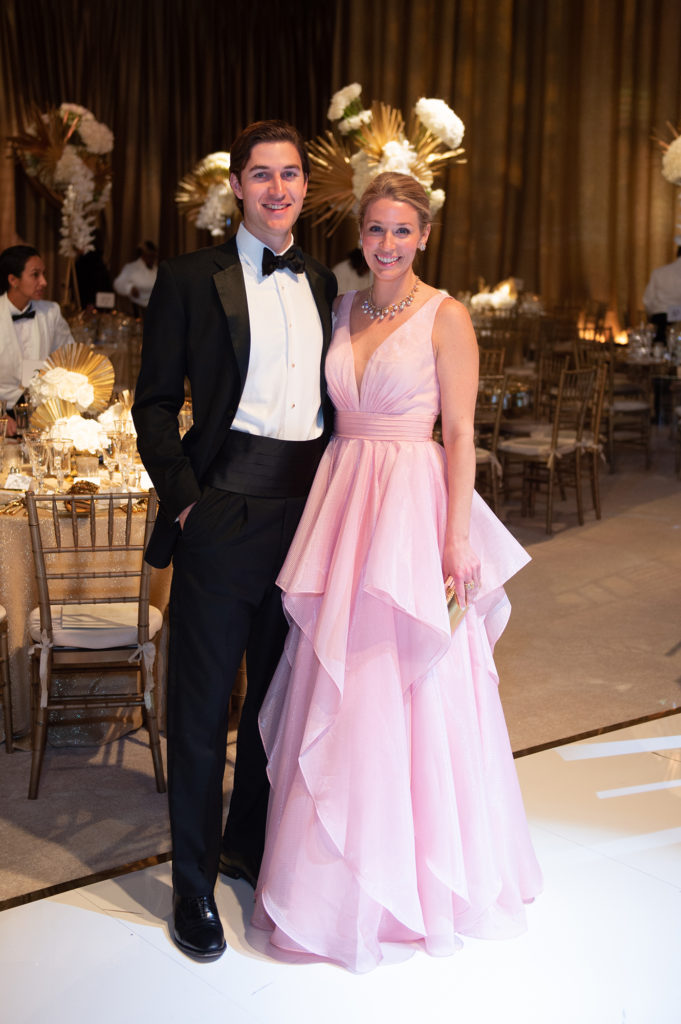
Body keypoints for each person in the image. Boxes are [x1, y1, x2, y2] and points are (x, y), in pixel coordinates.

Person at [252, 172, 543, 973]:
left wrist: (455, 538)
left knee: (406, 680)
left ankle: (416, 881)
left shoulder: (446, 316)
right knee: (338, 680)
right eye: (374, 230)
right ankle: (330, 883)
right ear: (361, 234)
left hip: (410, 508)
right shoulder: (345, 307)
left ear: (424, 236)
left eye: (400, 232)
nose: (385, 244)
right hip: (344, 497)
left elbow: (458, 436)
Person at [132, 120, 337, 962]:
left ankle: (244, 847)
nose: (278, 189)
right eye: (262, 176)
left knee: (274, 700)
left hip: (303, 516)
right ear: (237, 187)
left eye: (290, 175)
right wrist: (185, 503)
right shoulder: (189, 278)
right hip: (221, 513)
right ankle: (190, 888)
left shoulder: (325, 282)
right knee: (200, 703)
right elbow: (152, 404)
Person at [0, 245, 73, 436]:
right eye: (35, 275)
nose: (44, 282)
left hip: (40, 415)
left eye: (44, 274)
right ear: (13, 279)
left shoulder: (51, 312)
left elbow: (69, 358)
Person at [643, 245, 681, 343]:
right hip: (677, 322)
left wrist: (651, 316)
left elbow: (647, 300)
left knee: (658, 351)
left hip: (660, 318)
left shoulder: (659, 272)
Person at [113, 240, 158, 310]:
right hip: (137, 308)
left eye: (154, 256)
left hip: (155, 308)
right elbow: (118, 283)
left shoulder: (156, 270)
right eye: (150, 256)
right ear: (143, 255)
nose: (152, 259)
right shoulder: (131, 268)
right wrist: (130, 288)